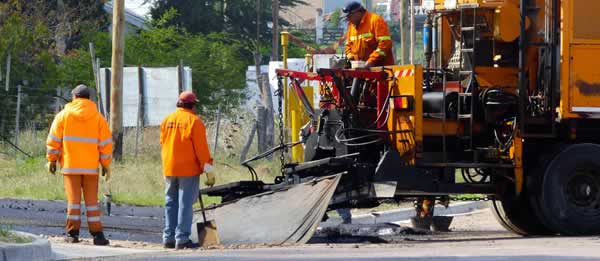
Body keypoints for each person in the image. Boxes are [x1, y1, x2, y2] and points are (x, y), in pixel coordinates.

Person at [46, 84, 112, 245]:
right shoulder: (98, 118)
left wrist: (52, 160)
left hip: (70, 167)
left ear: (74, 97)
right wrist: (105, 164)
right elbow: (105, 144)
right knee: (92, 203)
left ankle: (72, 234)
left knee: (73, 202)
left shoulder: (63, 116)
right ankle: (98, 236)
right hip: (90, 168)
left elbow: (54, 140)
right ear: (89, 98)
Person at [160, 91, 216, 249]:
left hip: (170, 167)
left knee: (170, 202)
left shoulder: (167, 120)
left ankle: (168, 238)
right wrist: (208, 170)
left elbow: (163, 142)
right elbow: (202, 150)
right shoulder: (194, 121)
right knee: (185, 203)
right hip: (188, 169)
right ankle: (182, 239)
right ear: (192, 105)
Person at [343, 1, 395, 67]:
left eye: (349, 16)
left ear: (359, 12)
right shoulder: (351, 25)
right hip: (360, 70)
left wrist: (371, 61)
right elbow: (348, 45)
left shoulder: (375, 21)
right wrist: (350, 58)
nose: (348, 20)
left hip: (382, 70)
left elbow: (385, 44)